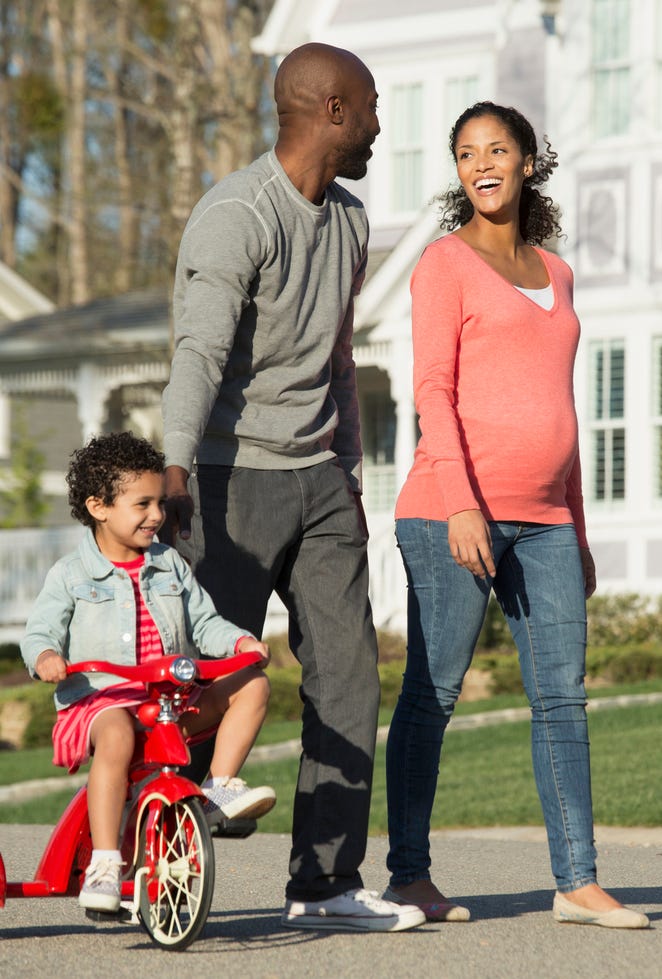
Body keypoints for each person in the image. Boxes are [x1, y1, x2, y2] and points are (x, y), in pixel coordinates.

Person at [160, 43, 424, 933]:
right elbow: (198, 349)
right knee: (200, 681)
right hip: (227, 479)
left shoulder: (348, 221)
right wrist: (172, 463)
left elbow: (339, 357)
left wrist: (346, 470)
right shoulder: (237, 213)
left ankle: (323, 884)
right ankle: (156, 860)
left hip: (318, 482)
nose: (383, 124)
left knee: (348, 676)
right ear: (335, 109)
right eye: (375, 106)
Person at [383, 101, 648, 930]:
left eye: (498, 149)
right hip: (449, 512)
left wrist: (577, 524)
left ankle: (577, 880)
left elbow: (558, 407)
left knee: (562, 698)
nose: (482, 164)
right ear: (459, 172)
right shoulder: (442, 263)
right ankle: (408, 875)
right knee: (433, 694)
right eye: (466, 153)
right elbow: (433, 390)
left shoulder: (556, 273)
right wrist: (463, 503)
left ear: (529, 161)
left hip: (545, 521)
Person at [20, 432, 276, 914]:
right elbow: (37, 634)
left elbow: (204, 622)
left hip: (167, 702)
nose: (157, 515)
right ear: (99, 507)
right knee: (116, 736)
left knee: (252, 684)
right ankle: (104, 860)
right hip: (100, 704)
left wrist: (239, 641)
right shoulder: (71, 575)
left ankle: (218, 787)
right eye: (142, 504)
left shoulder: (169, 566)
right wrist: (46, 658)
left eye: (159, 502)